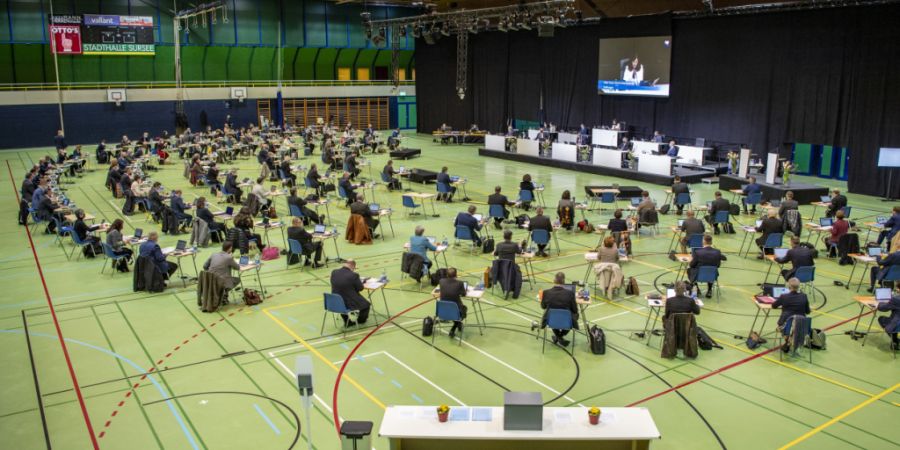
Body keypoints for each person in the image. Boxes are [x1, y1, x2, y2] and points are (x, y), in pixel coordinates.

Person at [540, 272, 579, 347]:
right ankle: (560, 336)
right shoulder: (570, 293)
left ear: (554, 280)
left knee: (552, 314)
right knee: (576, 315)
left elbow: (543, 307)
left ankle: (558, 336)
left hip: (550, 320)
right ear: (564, 281)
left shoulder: (546, 292)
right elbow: (575, 310)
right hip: (566, 321)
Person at [329, 259, 370, 326]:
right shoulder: (354, 275)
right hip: (348, 302)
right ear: (353, 266)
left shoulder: (334, 272)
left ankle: (346, 321)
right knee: (366, 305)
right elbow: (360, 288)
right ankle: (360, 321)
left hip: (336, 302)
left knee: (343, 297)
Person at [438, 268, 468, 338]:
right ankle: (454, 327)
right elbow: (463, 294)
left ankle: (458, 324)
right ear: (456, 275)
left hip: (443, 311)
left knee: (455, 310)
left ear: (447, 275)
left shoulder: (441, 281)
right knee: (464, 309)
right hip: (456, 311)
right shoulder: (459, 283)